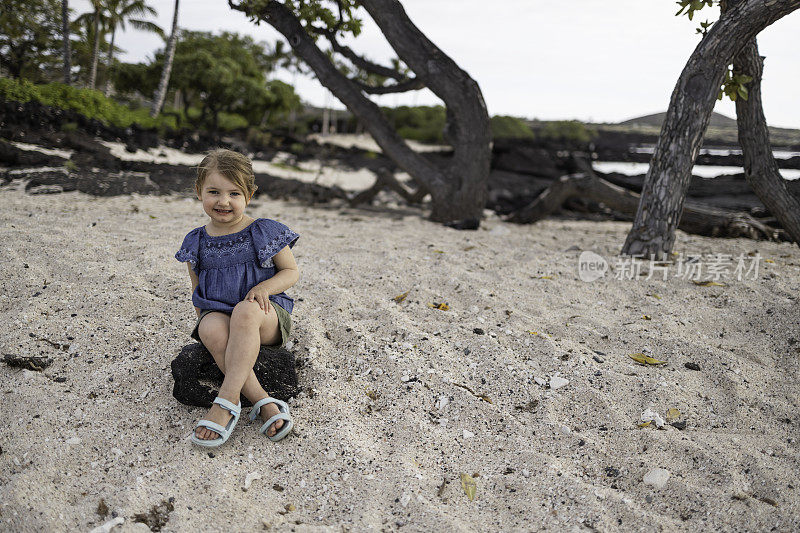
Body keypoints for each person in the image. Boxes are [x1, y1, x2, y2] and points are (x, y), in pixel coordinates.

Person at [175, 148, 300, 447]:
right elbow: (198, 294)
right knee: (209, 327)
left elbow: (291, 272)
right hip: (220, 312)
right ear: (198, 191)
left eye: (234, 193)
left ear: (249, 195)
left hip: (265, 316)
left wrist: (264, 288)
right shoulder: (196, 241)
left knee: (245, 311)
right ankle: (264, 402)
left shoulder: (262, 231)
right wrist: (206, 327)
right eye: (214, 191)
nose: (223, 201)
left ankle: (226, 401)